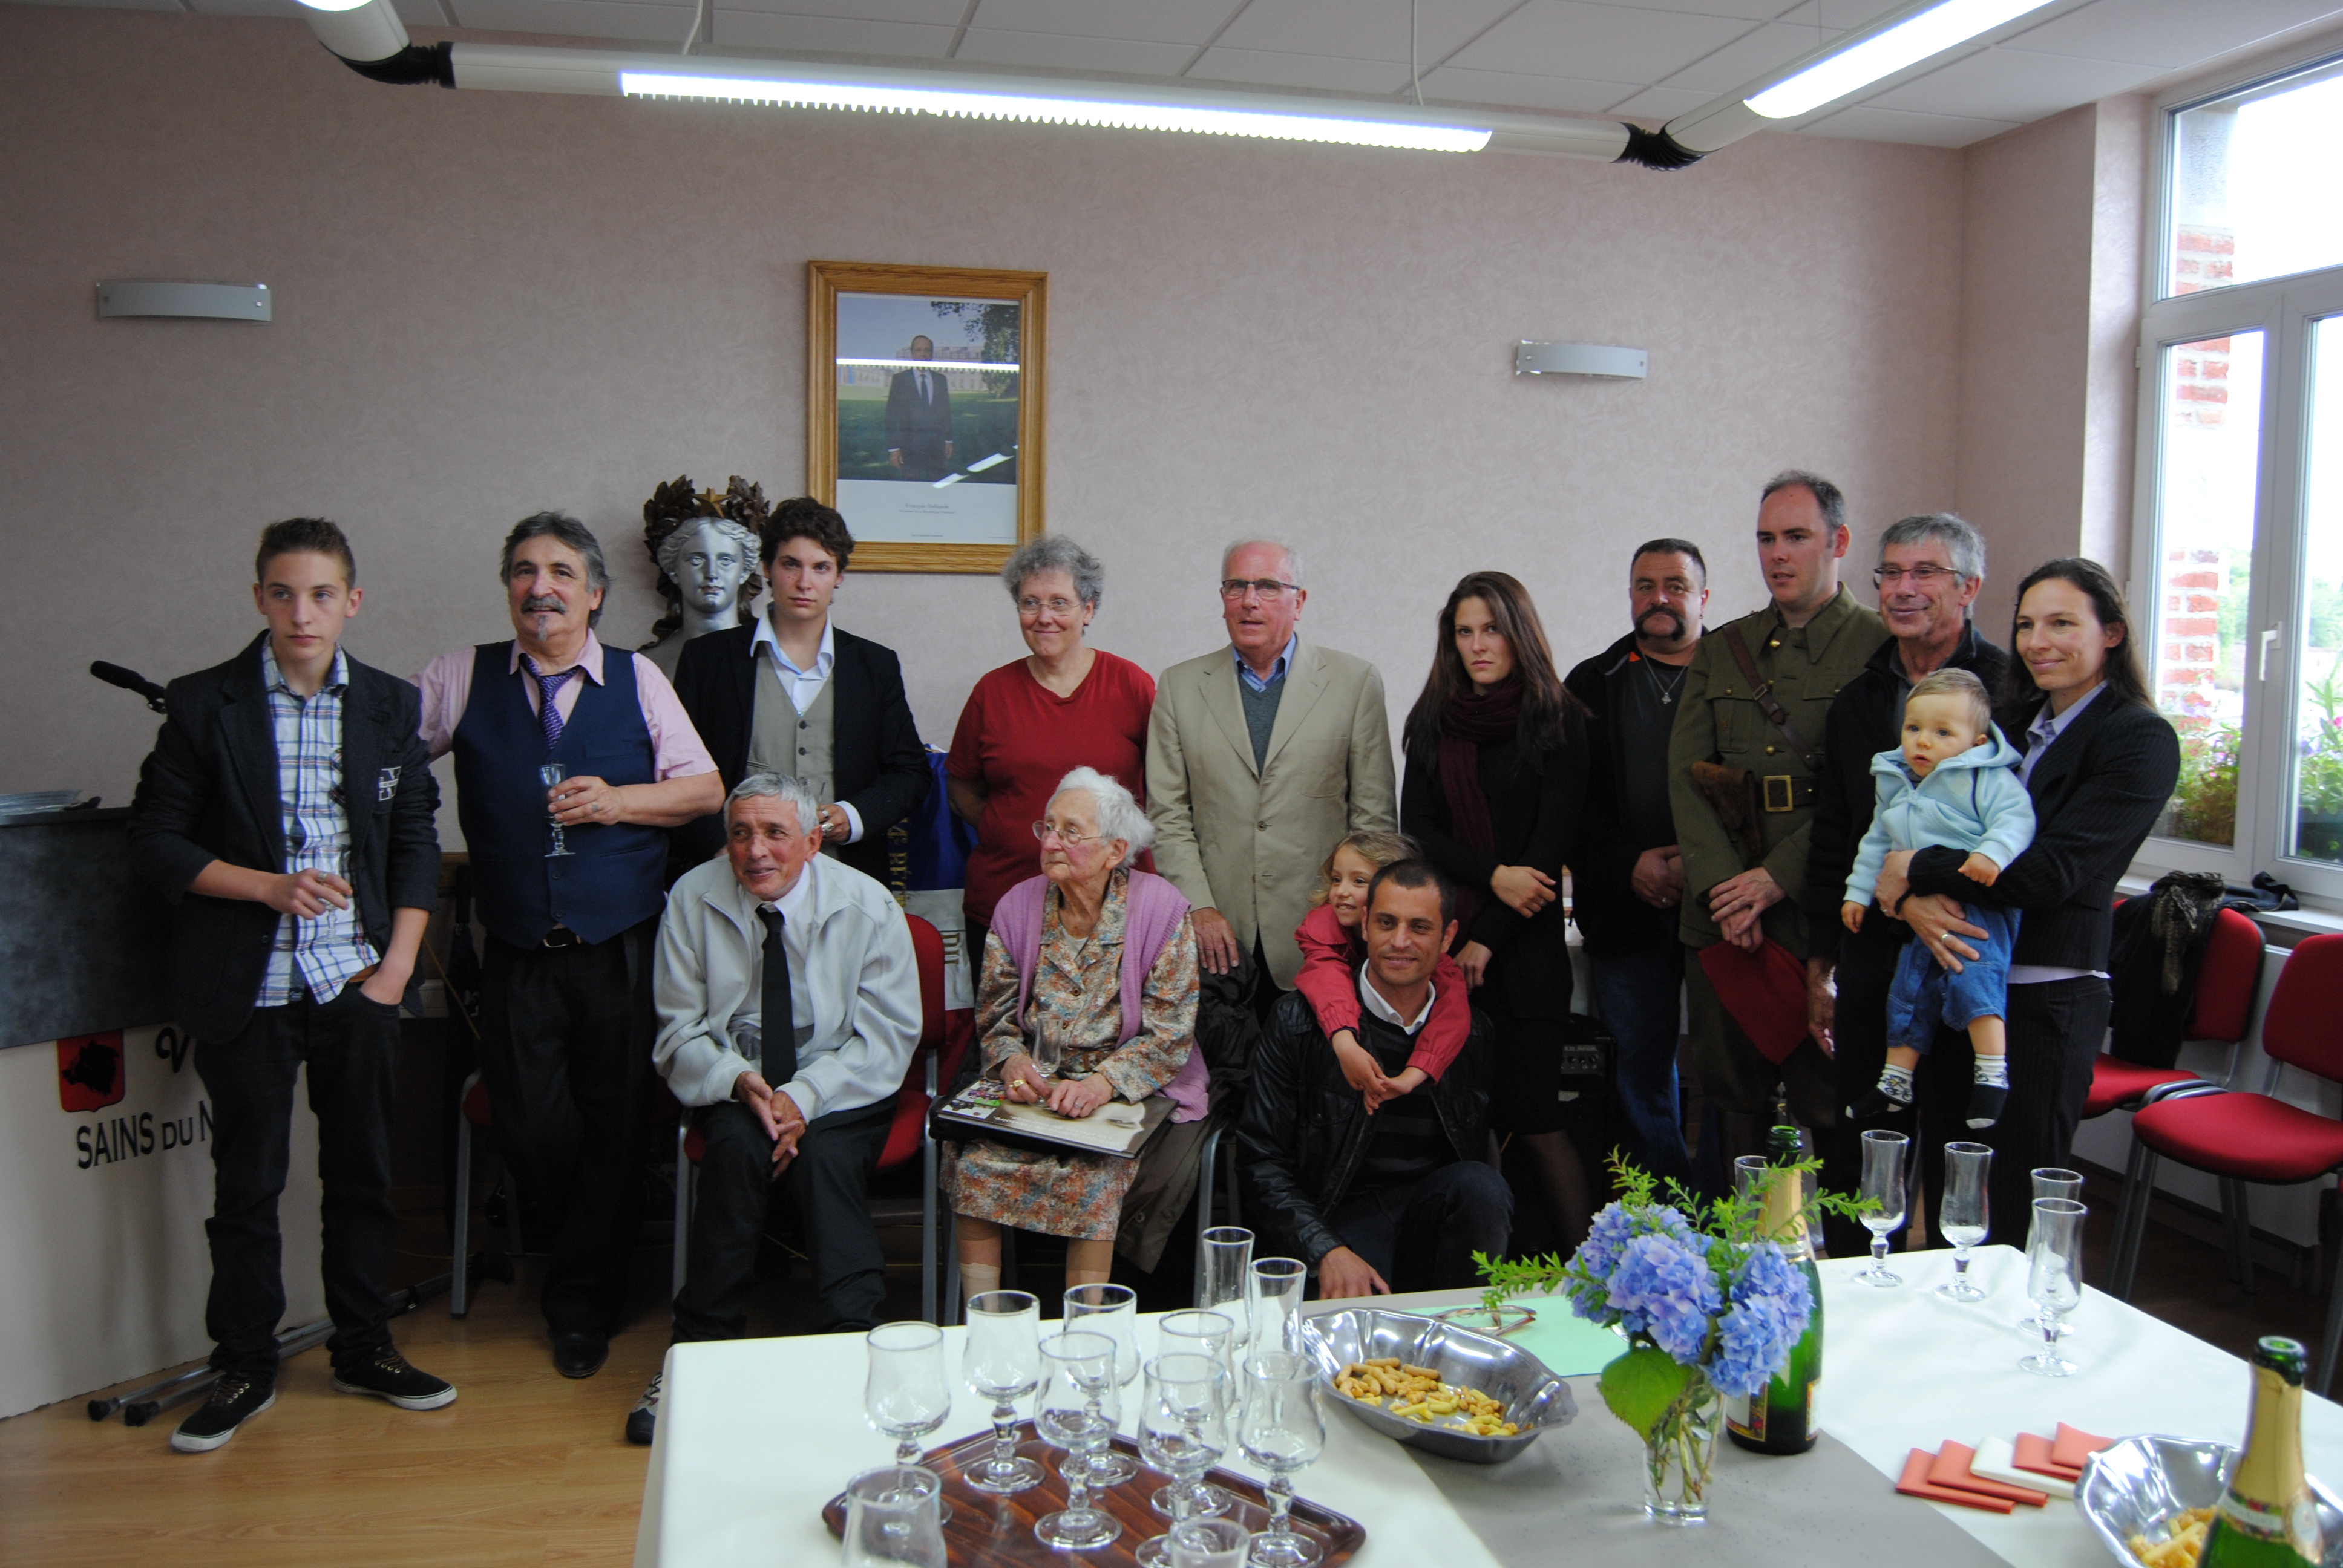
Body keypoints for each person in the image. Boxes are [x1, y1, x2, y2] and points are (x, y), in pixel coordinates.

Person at [128, 518, 453, 1454]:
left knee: (362, 1174)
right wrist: (266, 887)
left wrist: (395, 971)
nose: (301, 612)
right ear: (259, 598)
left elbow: (415, 841)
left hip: (356, 979)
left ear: (351, 601)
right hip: (248, 981)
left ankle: (365, 1347)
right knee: (248, 1183)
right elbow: (154, 843)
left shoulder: (391, 704)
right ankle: (243, 1363)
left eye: (321, 594)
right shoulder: (202, 705)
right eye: (283, 592)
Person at [413, 512, 724, 1377]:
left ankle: (583, 1302)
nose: (538, 587)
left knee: (618, 1126)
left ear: (594, 594)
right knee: (536, 1126)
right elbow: (379, 757)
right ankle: (576, 1261)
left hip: (622, 942)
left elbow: (705, 790)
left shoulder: (638, 680)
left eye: (558, 572)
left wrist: (621, 802)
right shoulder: (457, 678)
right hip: (516, 945)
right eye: (522, 571)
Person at [1872, 559, 2178, 1247]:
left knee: (2013, 1215)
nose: (2039, 641)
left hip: (2044, 1002)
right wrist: (1906, 900)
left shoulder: (2138, 738)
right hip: (1955, 978)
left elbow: (2049, 874)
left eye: (2062, 623)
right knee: (1950, 1206)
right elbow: (1916, 816)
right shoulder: (2003, 723)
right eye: (2026, 625)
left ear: (2112, 634)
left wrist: (1913, 870)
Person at [629, 774, 920, 1445]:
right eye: (739, 833)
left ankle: (854, 1348)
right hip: (737, 1082)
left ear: (813, 842)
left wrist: (806, 1095)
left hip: (842, 1082)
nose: (755, 851)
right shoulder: (691, 898)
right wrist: (739, 1081)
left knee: (822, 1155)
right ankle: (695, 1355)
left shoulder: (867, 903)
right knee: (734, 1150)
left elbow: (888, 1036)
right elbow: (678, 1028)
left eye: (774, 833)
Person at [1800, 512, 2011, 1249]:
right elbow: (1837, 828)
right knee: (1860, 1140)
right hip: (1870, 951)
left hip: (1964, 950)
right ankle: (1849, 1299)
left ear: (1968, 588)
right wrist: (1822, 946)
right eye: (1889, 573)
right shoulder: (1860, 698)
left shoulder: (2007, 692)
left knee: (1957, 1155)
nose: (1901, 589)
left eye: (1924, 574)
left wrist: (1920, 888)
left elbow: (2018, 833)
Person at [1668, 472, 1886, 1168]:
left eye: (1795, 537)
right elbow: (1686, 775)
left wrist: (1773, 879)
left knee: (1831, 1099)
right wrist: (1725, 889)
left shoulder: (1876, 648)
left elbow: (1874, 794)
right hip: (1725, 918)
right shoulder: (1722, 647)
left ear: (1838, 541)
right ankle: (1735, 1263)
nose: (1776, 555)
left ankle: (1838, 1262)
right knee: (1732, 1101)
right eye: (1765, 539)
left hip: (1817, 911)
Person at [944, 768, 1203, 1298]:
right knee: (973, 1161)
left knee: (1096, 1173)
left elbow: (1170, 1033)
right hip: (1037, 1085)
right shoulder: (1016, 906)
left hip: (1129, 1088)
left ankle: (1085, 1338)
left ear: (1114, 851)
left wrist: (1100, 1086)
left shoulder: (1161, 910)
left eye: (1071, 832)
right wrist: (1012, 1063)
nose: (1052, 842)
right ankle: (986, 1324)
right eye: (1049, 827)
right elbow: (994, 1016)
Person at [1400, 572, 1592, 1247]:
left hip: (1527, 955)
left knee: (1535, 1119)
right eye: (1463, 632)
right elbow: (1419, 832)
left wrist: (1489, 936)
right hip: (1447, 950)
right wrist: (1490, 881)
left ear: (1517, 632)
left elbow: (1550, 847)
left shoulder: (1559, 719)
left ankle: (1584, 1274)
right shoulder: (1431, 721)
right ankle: (1483, 1280)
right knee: (1463, 1125)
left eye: (1490, 629)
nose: (1478, 645)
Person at [1236, 861, 1507, 1298]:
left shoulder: (1473, 1033)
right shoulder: (1298, 1020)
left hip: (1426, 1213)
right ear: (1364, 924)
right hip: (1334, 1216)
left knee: (1481, 1187)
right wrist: (1325, 1249)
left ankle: (1467, 1328)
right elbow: (1260, 1160)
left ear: (1448, 937)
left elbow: (1477, 1156)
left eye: (1420, 927)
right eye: (1386, 923)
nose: (1400, 942)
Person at [1147, 539, 1397, 1001]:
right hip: (1216, 937)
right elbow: (1168, 814)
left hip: (1321, 936)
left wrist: (1349, 913)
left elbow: (1373, 822)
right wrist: (1199, 906)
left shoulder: (1354, 683)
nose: (1249, 600)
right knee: (1224, 1073)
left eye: (1267, 586)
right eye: (1235, 586)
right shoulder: (1179, 687)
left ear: (1299, 601)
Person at [672, 497, 929, 878]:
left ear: (839, 576)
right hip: (733, 871)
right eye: (791, 564)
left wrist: (854, 815)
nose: (804, 582)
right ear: (766, 568)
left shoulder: (875, 666)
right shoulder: (707, 660)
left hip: (845, 877)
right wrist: (719, 846)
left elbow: (910, 772)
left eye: (821, 567)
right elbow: (678, 773)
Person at [1564, 539, 1711, 1184]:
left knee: (1731, 1079)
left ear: (1702, 598)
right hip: (1626, 914)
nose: (1658, 598)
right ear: (1629, 596)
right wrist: (1630, 865)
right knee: (1636, 1075)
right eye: (1644, 585)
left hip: (1725, 913)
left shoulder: (1734, 677)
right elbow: (1570, 808)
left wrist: (1701, 866)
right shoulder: (1589, 684)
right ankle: (1668, 1224)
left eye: (1675, 585)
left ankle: (1725, 1229)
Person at [947, 535, 1155, 964]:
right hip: (1004, 906)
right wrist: (1012, 828)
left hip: (1112, 910)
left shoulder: (1131, 685)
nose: (1044, 618)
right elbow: (963, 787)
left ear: (1089, 610)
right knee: (1004, 1029)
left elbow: (1163, 789)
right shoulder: (992, 692)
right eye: (1030, 603)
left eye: (1060, 603)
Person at [1840, 669, 2034, 1127]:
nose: (1923, 742)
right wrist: (1858, 892)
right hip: (1920, 912)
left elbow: (2016, 819)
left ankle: (1992, 1073)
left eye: (1943, 732)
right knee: (1909, 991)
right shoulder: (1897, 780)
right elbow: (1876, 842)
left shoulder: (1984, 778)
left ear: (1975, 741)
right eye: (1914, 729)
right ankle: (1895, 1081)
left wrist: (1992, 853)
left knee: (1974, 980)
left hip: (1980, 904)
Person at [1293, 830, 1471, 1109]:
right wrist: (1345, 1042)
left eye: (1359, 881)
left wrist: (1416, 1073)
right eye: (1336, 879)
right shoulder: (1322, 927)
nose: (1341, 891)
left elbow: (1454, 1011)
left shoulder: (1428, 954)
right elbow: (1326, 981)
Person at [884, 335, 955, 481]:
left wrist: (948, 440)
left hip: (936, 446)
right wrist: (894, 449)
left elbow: (945, 412)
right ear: (912, 353)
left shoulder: (940, 380)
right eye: (919, 350)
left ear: (932, 354)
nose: (923, 354)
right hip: (909, 446)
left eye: (927, 350)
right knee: (911, 487)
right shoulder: (900, 380)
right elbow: (891, 415)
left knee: (937, 485)